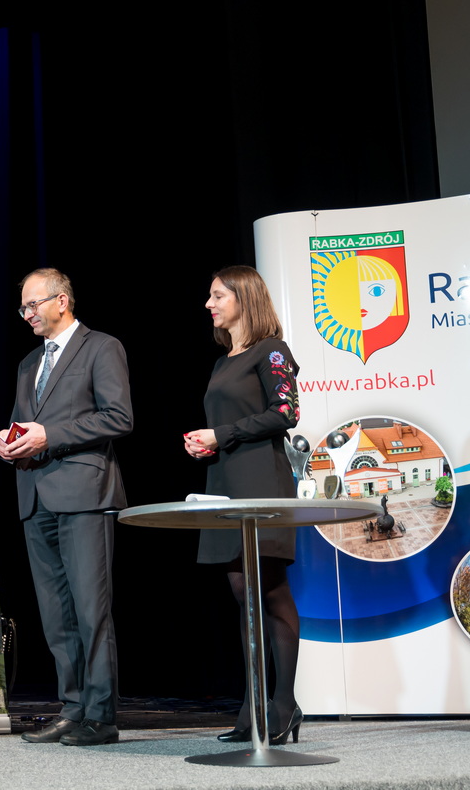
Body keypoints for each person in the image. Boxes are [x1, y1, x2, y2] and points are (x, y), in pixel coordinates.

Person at [0, 268, 132, 747]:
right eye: (23, 308)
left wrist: (49, 435)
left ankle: (101, 715)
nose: (27, 315)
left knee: (92, 610)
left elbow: (119, 417)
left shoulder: (101, 347)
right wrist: (9, 441)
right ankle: (73, 707)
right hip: (35, 494)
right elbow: (24, 422)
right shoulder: (29, 362)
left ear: (62, 301)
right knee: (56, 614)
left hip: (84, 494)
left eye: (33, 305)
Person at [183, 265, 303, 745]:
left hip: (261, 482)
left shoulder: (271, 349)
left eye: (217, 295)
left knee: (269, 589)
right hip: (225, 481)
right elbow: (233, 422)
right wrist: (207, 444)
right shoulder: (222, 360)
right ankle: (253, 702)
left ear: (244, 298)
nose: (209, 304)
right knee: (242, 593)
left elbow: (286, 413)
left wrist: (223, 434)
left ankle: (284, 703)